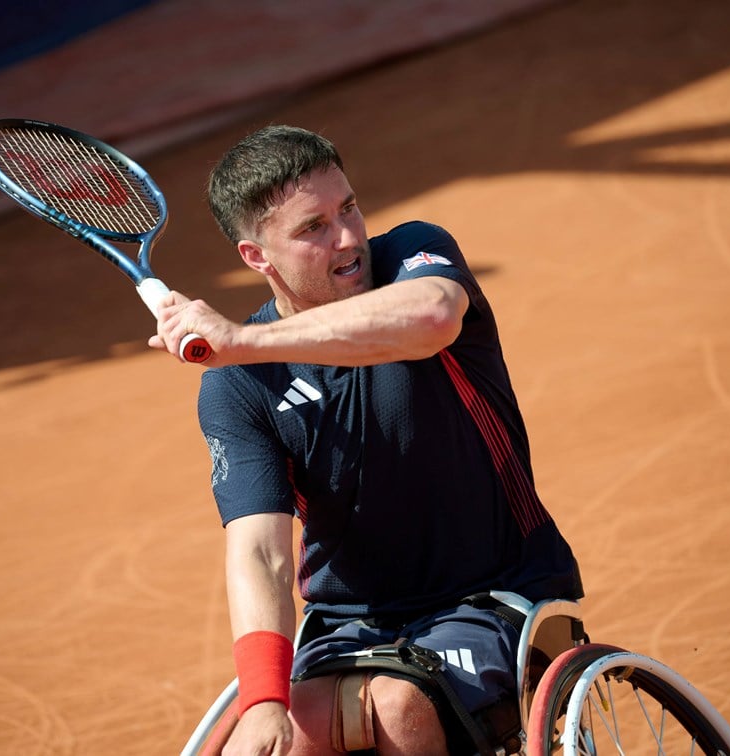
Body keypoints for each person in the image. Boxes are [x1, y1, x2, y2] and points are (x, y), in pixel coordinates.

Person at [149, 125, 583, 755]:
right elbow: (260, 553)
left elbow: (432, 317)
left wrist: (242, 343)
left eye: (348, 207)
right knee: (275, 738)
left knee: (396, 705)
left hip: (497, 591)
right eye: (313, 227)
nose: (348, 237)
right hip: (348, 625)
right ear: (256, 256)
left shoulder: (414, 255)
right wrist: (265, 701)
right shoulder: (237, 388)